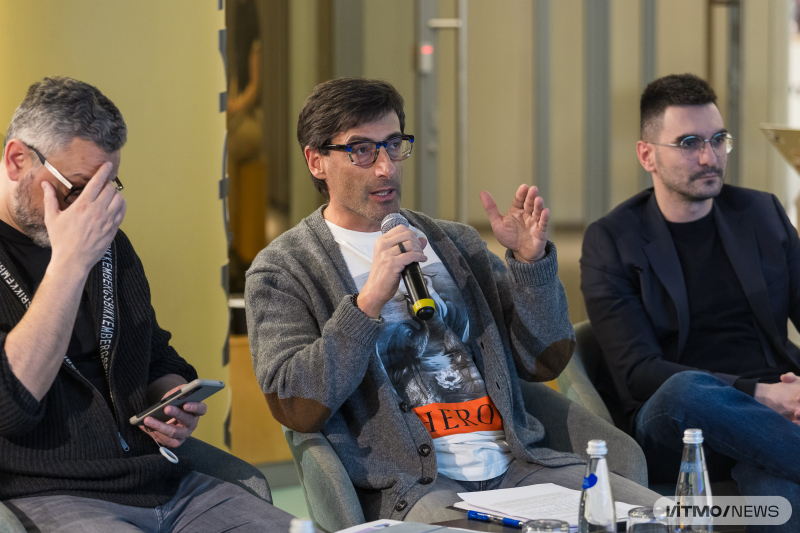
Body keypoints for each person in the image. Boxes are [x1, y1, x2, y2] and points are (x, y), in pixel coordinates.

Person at [246, 77, 659, 523]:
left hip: (521, 467)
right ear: (316, 161)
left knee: (662, 519)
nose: (385, 168)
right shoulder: (283, 269)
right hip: (416, 487)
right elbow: (295, 405)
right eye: (361, 150)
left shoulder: (456, 243)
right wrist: (367, 305)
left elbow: (545, 361)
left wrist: (530, 265)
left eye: (393, 145)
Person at [0, 77, 293, 532]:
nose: (90, 208)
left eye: (106, 186)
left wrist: (171, 400)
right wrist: (70, 264)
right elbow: (10, 407)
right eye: (77, 187)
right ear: (17, 159)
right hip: (51, 493)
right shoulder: (84, 245)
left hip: (163, 483)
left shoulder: (111, 246)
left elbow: (155, 354)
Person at [580, 73, 800, 518]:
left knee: (776, 487)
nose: (709, 157)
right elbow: (638, 372)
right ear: (647, 154)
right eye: (688, 143)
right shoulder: (612, 240)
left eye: (718, 140)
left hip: (776, 416)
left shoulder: (760, 212)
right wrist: (762, 395)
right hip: (677, 418)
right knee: (685, 390)